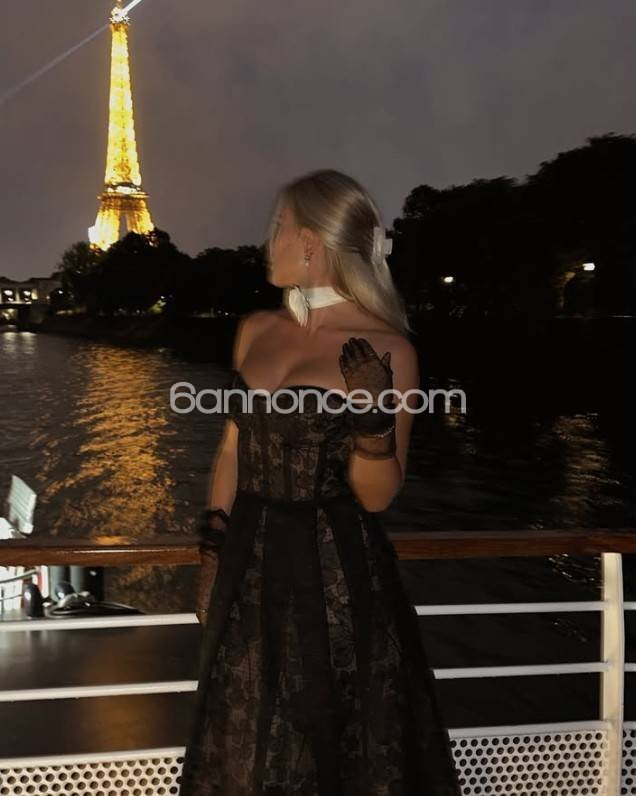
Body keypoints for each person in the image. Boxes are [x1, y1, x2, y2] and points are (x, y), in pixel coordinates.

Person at [178, 169, 462, 795]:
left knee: (330, 742)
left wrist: (372, 417)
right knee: (244, 735)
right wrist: (212, 552)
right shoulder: (256, 329)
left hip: (333, 573)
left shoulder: (388, 349)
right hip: (250, 566)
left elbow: (378, 496)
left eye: (276, 227)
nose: (267, 242)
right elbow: (231, 450)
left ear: (309, 241)